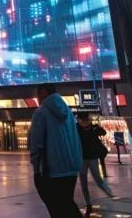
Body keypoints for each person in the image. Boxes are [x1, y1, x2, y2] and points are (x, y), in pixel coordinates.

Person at [29, 83, 83, 218]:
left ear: (45, 93)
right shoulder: (68, 112)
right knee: (66, 203)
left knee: (56, 207)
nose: (38, 99)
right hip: (71, 168)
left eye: (38, 95)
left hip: (51, 170)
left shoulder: (41, 112)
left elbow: (36, 142)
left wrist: (36, 166)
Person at [76, 113, 115, 211]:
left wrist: (97, 128)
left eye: (86, 120)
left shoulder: (94, 128)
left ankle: (108, 191)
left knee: (97, 176)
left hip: (93, 157)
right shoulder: (75, 128)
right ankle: (87, 202)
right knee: (83, 181)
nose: (85, 122)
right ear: (79, 120)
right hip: (81, 158)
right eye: (82, 120)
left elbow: (103, 132)